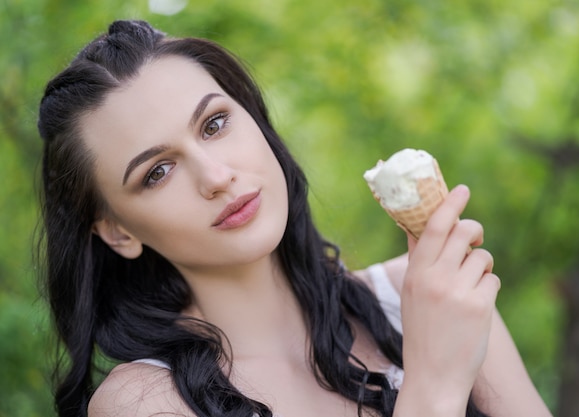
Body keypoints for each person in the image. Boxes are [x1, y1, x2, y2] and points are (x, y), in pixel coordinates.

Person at [37, 19, 552, 417]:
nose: (216, 175)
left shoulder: (423, 299)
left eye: (215, 123)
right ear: (118, 231)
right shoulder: (143, 402)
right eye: (158, 171)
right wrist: (433, 389)